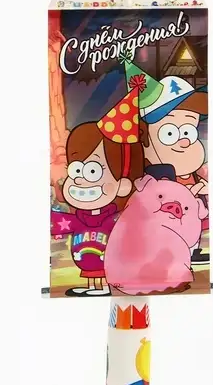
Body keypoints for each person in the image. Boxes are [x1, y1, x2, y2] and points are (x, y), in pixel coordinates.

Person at [51, 88, 144, 296]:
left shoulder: (114, 218)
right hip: (84, 257)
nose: (80, 180)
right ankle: (92, 286)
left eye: (93, 171)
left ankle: (104, 286)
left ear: (122, 185)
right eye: (76, 170)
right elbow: (63, 224)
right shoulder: (78, 217)